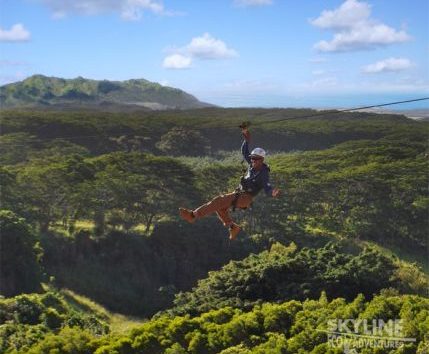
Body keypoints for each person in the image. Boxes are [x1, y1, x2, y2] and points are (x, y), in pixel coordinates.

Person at [179, 126, 280, 240]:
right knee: (220, 208)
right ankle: (233, 227)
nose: (252, 160)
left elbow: (267, 187)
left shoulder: (263, 173)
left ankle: (192, 215)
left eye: (255, 159)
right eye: (252, 158)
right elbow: (244, 151)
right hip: (238, 193)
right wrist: (246, 140)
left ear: (262, 159)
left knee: (218, 201)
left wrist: (273, 193)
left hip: (245, 198)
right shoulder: (252, 165)